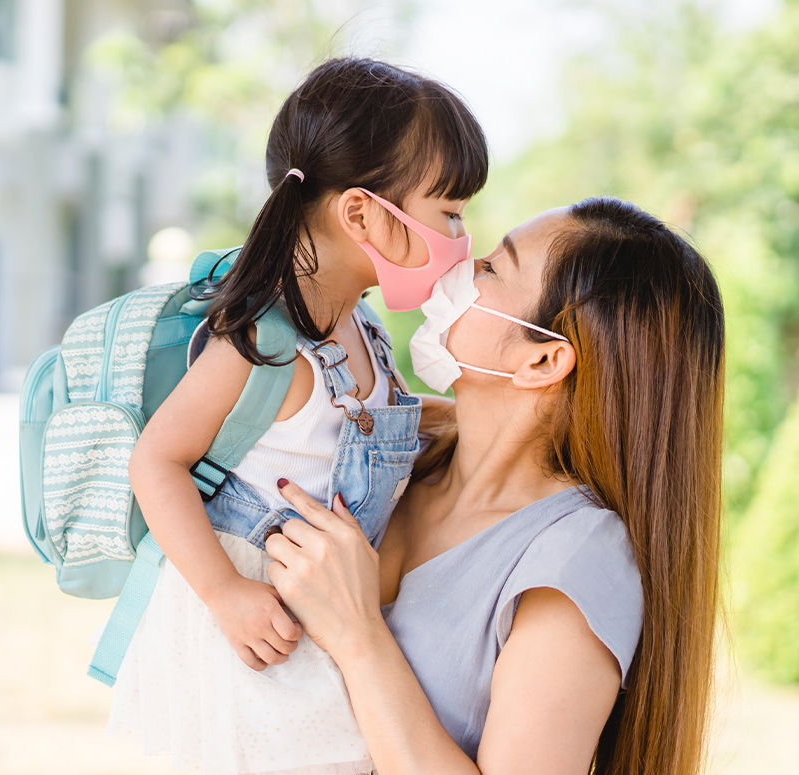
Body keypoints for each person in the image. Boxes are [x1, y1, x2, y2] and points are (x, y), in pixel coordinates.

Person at [106, 58, 488, 775]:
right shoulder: (261, 342)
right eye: (451, 212)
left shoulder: (361, 325)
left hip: (321, 614)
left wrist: (487, 416)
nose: (463, 237)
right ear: (362, 213)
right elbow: (156, 461)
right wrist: (225, 594)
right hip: (259, 629)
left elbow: (380, 420)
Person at [265, 198, 724, 775]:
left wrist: (357, 634)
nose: (457, 267)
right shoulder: (397, 453)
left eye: (491, 269)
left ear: (543, 362)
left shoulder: (576, 558)